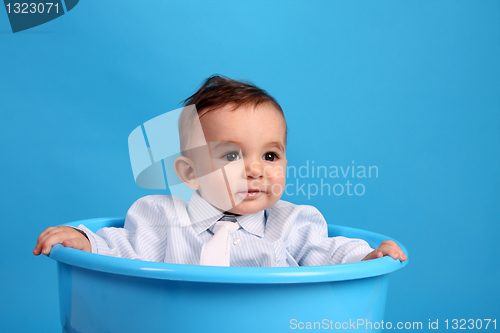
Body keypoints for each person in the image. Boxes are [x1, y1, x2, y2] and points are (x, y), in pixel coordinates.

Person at [33, 75, 407, 266]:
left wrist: (365, 256)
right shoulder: (160, 216)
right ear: (190, 173)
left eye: (271, 156)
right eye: (231, 156)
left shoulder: (294, 223)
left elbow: (327, 252)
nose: (256, 170)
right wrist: (86, 241)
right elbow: (124, 249)